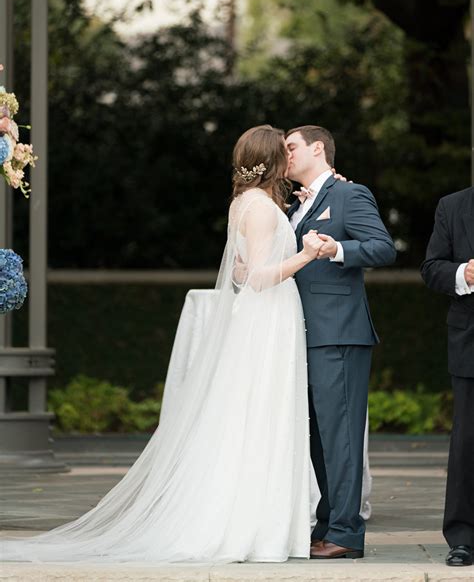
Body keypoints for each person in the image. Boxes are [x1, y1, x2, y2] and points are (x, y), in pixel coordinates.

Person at [0, 125, 323, 564]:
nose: (290, 158)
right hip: (267, 320)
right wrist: (304, 255)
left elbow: (241, 273)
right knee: (260, 413)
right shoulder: (263, 210)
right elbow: (262, 279)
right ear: (273, 162)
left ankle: (259, 521)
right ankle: (257, 527)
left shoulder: (245, 204)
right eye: (284, 152)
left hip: (261, 320)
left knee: (248, 415)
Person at [285, 125, 396, 560]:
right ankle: (329, 522)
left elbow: (383, 248)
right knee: (318, 438)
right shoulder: (299, 205)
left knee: (342, 437)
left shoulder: (349, 194)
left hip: (340, 334)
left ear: (318, 148)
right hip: (306, 336)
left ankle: (347, 534)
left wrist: (338, 250)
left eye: (290, 147)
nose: (285, 155)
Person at [420, 187, 474, 568]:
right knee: (467, 441)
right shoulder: (452, 206)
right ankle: (464, 538)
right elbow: (431, 267)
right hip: (470, 340)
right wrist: (464, 272)